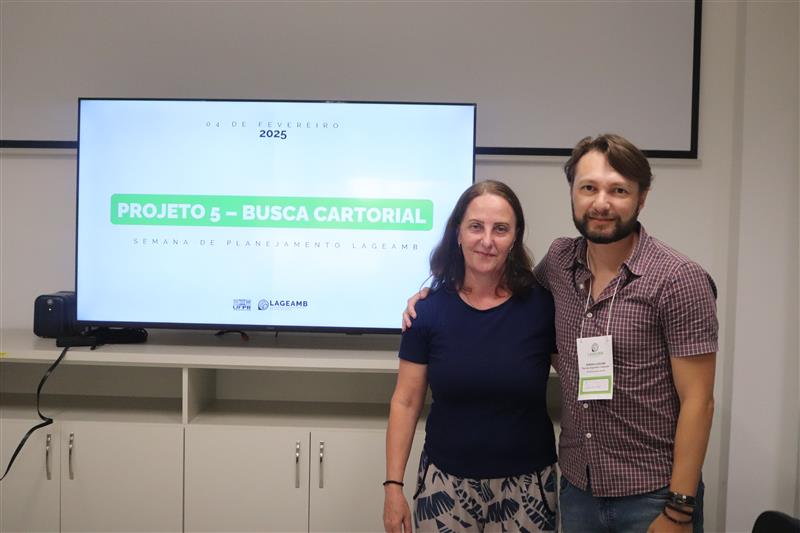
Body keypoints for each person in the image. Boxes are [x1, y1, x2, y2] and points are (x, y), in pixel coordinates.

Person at [403, 134, 718, 533]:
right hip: (578, 490)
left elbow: (699, 402)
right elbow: (500, 293)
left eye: (618, 190)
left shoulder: (678, 279)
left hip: (652, 495)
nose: (601, 202)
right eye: (588, 188)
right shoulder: (559, 262)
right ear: (572, 193)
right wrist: (433, 294)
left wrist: (679, 508)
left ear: (642, 198)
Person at [384, 180, 559, 533]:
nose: (487, 240)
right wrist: (393, 487)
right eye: (476, 226)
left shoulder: (542, 306)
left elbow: (578, 379)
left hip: (528, 487)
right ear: (458, 234)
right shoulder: (426, 312)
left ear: (515, 237)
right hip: (445, 485)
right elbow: (405, 401)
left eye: (501, 229)